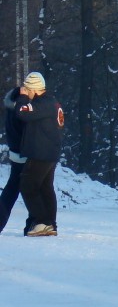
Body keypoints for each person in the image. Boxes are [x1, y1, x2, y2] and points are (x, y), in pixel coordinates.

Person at [15, 72, 64, 237]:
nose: (25, 92)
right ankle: (51, 224)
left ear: (33, 89)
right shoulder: (52, 102)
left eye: (27, 89)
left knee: (27, 186)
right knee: (45, 188)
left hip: (40, 153)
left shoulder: (42, 103)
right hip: (50, 152)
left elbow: (22, 112)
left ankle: (43, 222)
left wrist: (21, 98)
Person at [1, 82, 28, 234]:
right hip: (24, 154)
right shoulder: (20, 113)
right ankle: (38, 222)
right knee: (32, 189)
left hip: (14, 153)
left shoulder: (10, 110)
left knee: (12, 188)